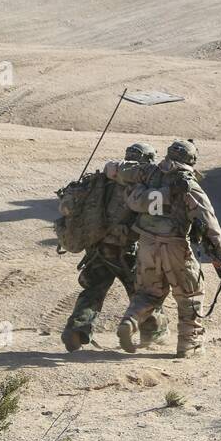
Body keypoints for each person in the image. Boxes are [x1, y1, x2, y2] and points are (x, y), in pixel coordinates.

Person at [105, 139, 221, 358]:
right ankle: (189, 345)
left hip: (146, 243)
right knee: (190, 293)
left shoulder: (148, 172)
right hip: (175, 245)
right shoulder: (187, 183)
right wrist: (219, 252)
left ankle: (130, 321)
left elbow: (113, 169)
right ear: (191, 160)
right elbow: (207, 218)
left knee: (148, 292)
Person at [60, 142, 169, 351]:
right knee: (143, 292)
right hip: (125, 251)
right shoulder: (140, 186)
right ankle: (152, 332)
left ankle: (76, 329)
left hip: (97, 248)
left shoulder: (102, 180)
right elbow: (152, 219)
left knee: (93, 290)